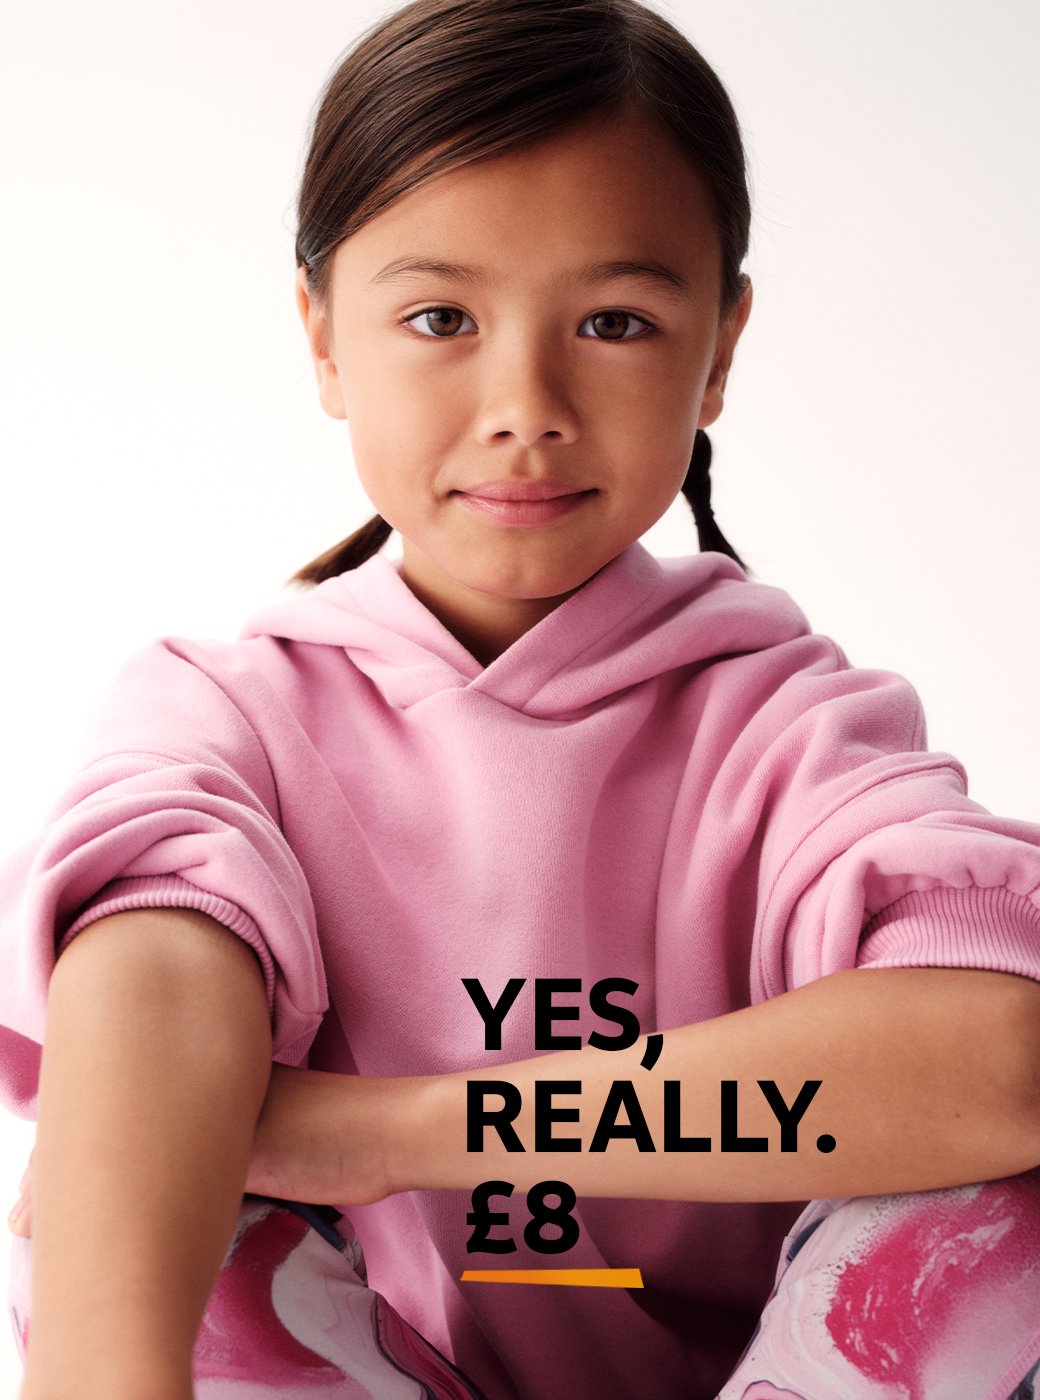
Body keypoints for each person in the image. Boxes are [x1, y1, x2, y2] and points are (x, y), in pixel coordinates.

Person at [2, 0, 1040, 1397]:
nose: (527, 403)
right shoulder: (231, 713)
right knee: (128, 1164)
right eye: (441, 317)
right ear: (323, 336)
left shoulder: (790, 725)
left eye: (615, 321)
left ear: (719, 348)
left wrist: (386, 1130)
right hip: (387, 1372)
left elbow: (1003, 1058)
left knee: (1002, 1201)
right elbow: (146, 994)